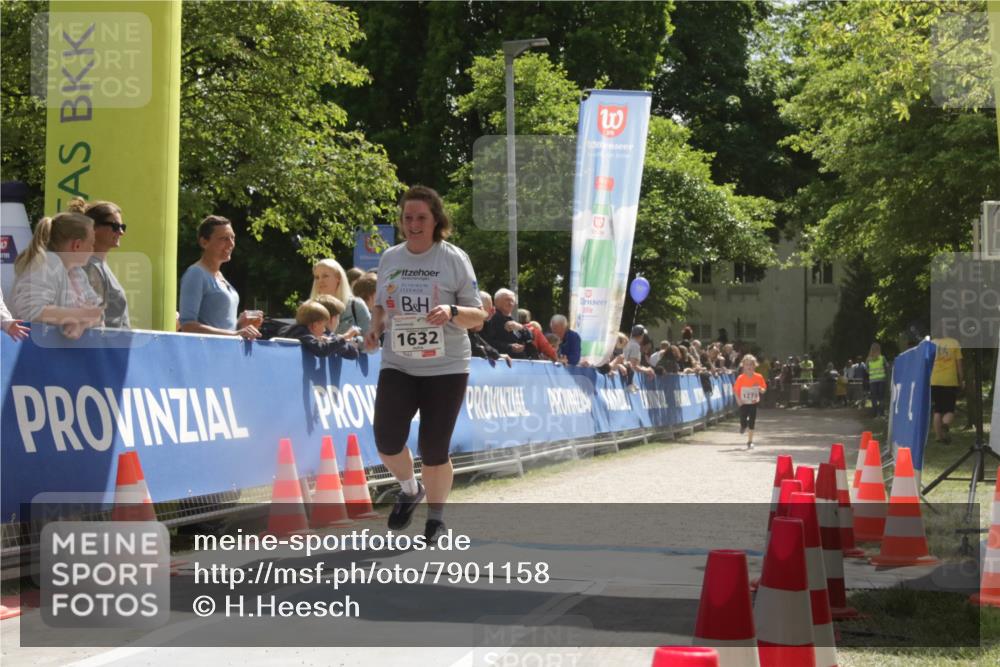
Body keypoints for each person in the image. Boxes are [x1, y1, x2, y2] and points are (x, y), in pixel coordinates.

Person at [363, 185, 485, 543]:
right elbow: (383, 304)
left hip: (446, 366)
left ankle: (435, 519)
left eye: (421, 217)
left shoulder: (453, 258)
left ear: (436, 220)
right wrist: (374, 328)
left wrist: (452, 311)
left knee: (434, 448)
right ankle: (408, 487)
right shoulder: (390, 258)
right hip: (398, 362)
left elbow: (478, 316)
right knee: (386, 439)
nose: (413, 224)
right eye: (407, 217)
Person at [12, 213, 105, 339]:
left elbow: (98, 314)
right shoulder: (47, 262)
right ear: (76, 245)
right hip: (32, 353)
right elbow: (31, 311)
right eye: (91, 243)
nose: (93, 250)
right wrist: (80, 315)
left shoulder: (77, 272)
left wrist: (82, 324)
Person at [179, 216, 260, 339]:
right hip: (205, 355)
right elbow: (188, 326)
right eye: (224, 239)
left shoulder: (219, 275)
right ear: (204, 242)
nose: (231, 244)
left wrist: (241, 325)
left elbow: (223, 328)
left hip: (224, 353)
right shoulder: (195, 274)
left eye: (232, 237)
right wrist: (236, 334)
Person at [73, 198, 130, 328]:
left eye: (122, 227)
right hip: (104, 346)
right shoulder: (89, 267)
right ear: (93, 228)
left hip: (112, 345)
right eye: (115, 226)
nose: (121, 232)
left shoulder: (97, 265)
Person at [310, 258, 371, 335]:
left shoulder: (356, 305)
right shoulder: (311, 308)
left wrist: (352, 341)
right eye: (317, 277)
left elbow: (371, 340)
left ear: (338, 278)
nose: (320, 281)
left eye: (325, 276)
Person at [282, 299, 359, 359]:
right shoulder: (302, 333)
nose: (324, 330)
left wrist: (322, 340)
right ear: (314, 325)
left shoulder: (299, 332)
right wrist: (345, 337)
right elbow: (322, 350)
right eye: (323, 326)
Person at [930, 331, 963, 443]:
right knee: (949, 410)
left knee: (937, 410)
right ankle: (945, 424)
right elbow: (959, 365)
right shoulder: (954, 343)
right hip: (950, 381)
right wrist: (961, 380)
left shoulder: (932, 343)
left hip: (935, 380)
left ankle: (939, 437)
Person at [482, 288, 533, 358]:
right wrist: (509, 347)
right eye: (507, 300)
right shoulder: (492, 318)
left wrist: (520, 327)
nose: (510, 303)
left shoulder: (511, 320)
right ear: (497, 301)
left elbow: (531, 337)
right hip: (502, 362)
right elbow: (487, 341)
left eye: (512, 300)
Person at [734, 354, 767, 449]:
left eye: (751, 364)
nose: (749, 367)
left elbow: (763, 390)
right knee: (743, 419)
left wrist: (760, 388)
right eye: (747, 364)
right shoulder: (741, 378)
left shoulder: (759, 377)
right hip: (743, 403)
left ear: (755, 365)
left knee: (752, 421)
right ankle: (743, 425)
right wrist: (738, 400)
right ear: (743, 366)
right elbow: (735, 390)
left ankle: (750, 441)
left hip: (753, 402)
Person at [866, 342, 889, 418]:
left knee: (874, 398)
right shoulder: (882, 358)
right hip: (881, 380)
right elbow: (887, 367)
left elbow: (867, 370)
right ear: (879, 349)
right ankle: (881, 414)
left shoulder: (868, 360)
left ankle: (875, 414)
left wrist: (872, 373)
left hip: (872, 381)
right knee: (881, 397)